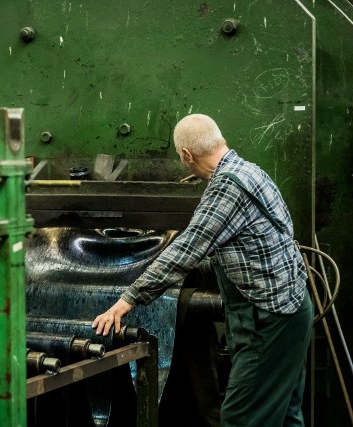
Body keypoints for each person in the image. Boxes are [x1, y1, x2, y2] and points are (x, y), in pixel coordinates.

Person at [92, 114, 313, 426]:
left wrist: (127, 300)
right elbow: (241, 243)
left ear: (186, 155)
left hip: (268, 322)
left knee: (241, 418)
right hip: (291, 312)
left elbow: (185, 250)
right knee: (286, 416)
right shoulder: (250, 170)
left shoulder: (226, 188)